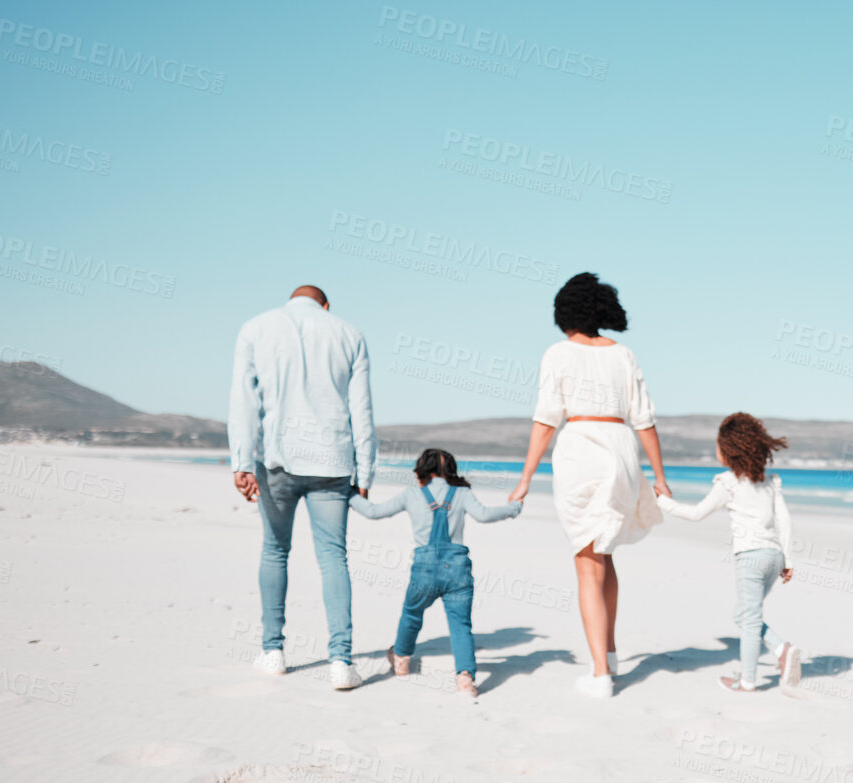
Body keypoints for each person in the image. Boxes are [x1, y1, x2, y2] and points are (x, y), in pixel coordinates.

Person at [508, 273, 669, 699]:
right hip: (621, 448)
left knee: (586, 559)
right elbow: (645, 420)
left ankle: (600, 675)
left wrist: (526, 477)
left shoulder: (558, 353)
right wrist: (659, 476)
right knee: (605, 552)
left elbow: (547, 419)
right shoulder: (624, 354)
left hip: (582, 449)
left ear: (566, 312)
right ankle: (610, 655)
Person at [228, 284, 376, 690]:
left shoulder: (255, 328)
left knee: (275, 549)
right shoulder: (349, 333)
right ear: (326, 306)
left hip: (276, 458)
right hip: (332, 460)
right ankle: (342, 663)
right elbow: (361, 408)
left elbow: (243, 400)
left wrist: (241, 462)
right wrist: (365, 472)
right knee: (334, 558)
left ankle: (273, 652)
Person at [350, 449, 521, 701]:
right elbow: (484, 515)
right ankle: (465, 679)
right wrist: (514, 507)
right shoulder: (461, 493)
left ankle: (401, 659)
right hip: (458, 570)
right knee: (461, 626)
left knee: (411, 614)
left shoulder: (412, 494)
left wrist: (347, 495)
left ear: (422, 470)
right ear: (450, 470)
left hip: (424, 570)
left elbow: (374, 512)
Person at [656, 413, 802, 693]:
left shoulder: (729, 482)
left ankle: (750, 679)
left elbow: (697, 513)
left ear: (729, 450)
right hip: (773, 557)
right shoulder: (771, 482)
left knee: (748, 621)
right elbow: (784, 520)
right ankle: (781, 649)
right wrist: (788, 559)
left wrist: (662, 502)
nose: (716, 450)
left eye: (718, 445)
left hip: (750, 557)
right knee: (744, 614)